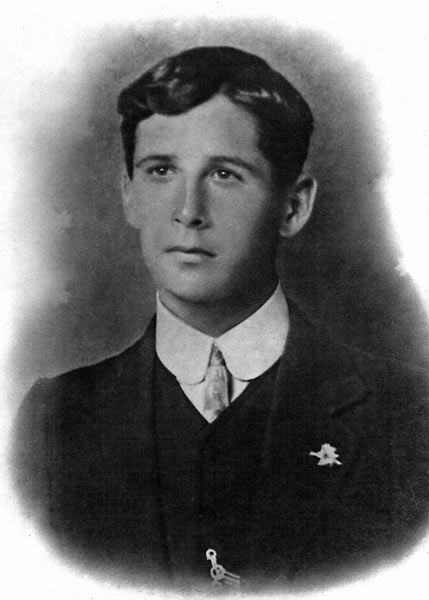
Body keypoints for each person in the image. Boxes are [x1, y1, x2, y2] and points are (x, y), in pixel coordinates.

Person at [12, 46, 429, 592]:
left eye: (225, 174)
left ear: (293, 207)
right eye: (161, 170)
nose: (188, 211)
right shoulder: (54, 418)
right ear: (129, 195)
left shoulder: (409, 414)